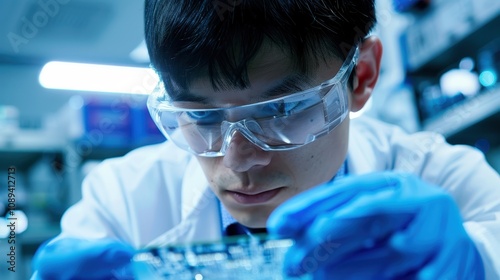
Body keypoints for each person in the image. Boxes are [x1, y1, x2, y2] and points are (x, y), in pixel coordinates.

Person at [32, 0, 500, 279]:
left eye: (281, 111)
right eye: (201, 116)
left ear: (361, 76)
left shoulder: (444, 179)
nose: (238, 161)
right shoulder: (123, 201)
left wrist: (472, 264)